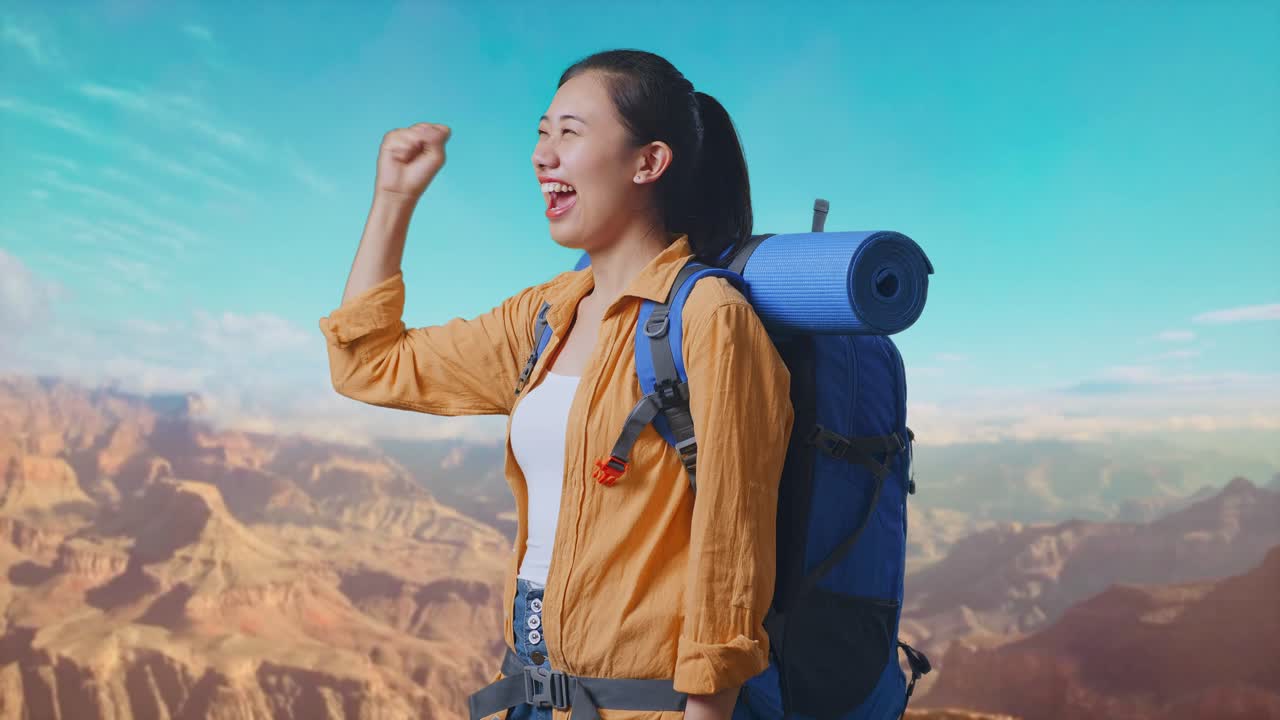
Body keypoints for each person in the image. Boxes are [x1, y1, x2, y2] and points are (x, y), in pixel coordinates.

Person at [318, 49, 793, 720]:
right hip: (533, 689)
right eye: (542, 133)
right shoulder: (544, 316)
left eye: (570, 132)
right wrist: (394, 198)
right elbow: (369, 363)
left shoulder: (709, 319)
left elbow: (731, 548)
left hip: (646, 706)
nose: (543, 155)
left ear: (648, 162)